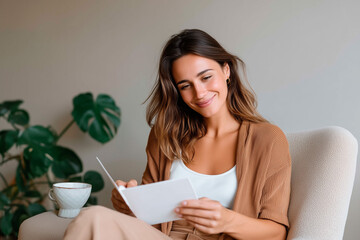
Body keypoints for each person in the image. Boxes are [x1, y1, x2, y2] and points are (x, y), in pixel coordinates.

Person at [64, 29, 291, 240]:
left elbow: (277, 231)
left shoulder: (267, 139)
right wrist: (129, 204)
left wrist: (227, 220)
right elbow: (148, 222)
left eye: (205, 77)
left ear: (226, 70)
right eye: (185, 85)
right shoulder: (164, 136)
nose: (199, 93)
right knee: (92, 217)